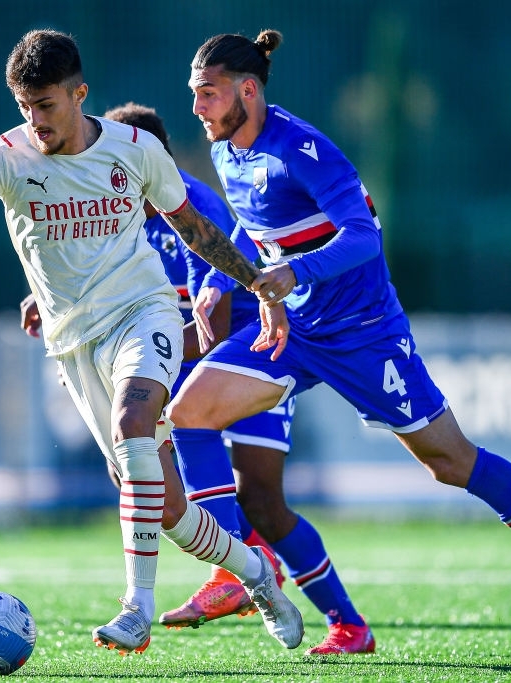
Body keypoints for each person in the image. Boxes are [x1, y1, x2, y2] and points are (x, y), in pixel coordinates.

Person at [166, 29, 511, 659]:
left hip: (363, 334)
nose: (198, 109)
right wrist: (219, 278)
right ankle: (232, 567)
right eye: (194, 95)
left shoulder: (304, 149)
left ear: (248, 89)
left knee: (451, 463)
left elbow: (363, 237)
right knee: (188, 412)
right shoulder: (225, 149)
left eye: (207, 94)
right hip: (293, 330)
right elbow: (252, 222)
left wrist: (295, 271)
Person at [0, 29, 303, 656]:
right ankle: (256, 574)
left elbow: (196, 230)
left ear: (79, 93)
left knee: (133, 420)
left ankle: (135, 611)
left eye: (47, 104)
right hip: (72, 344)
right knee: (169, 510)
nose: (36, 120)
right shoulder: (3, 159)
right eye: (25, 107)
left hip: (142, 313)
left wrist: (255, 282)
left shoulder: (134, 149)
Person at [22, 102, 373, 655]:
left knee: (261, 500)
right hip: (186, 377)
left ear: (150, 157)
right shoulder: (113, 209)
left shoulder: (193, 207)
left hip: (249, 356)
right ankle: (246, 575)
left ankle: (337, 619)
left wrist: (148, 364)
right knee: (154, 489)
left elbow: (210, 327)